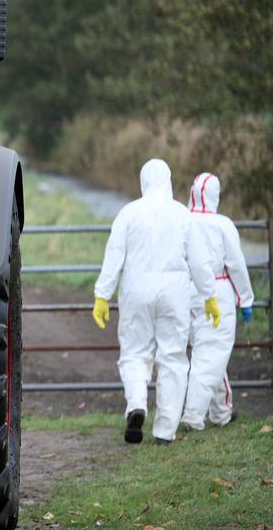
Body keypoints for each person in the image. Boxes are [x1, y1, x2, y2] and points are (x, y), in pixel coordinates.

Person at [92, 159, 219, 445]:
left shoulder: (128, 213)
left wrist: (102, 295)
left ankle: (137, 403)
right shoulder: (182, 214)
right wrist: (209, 296)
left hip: (136, 288)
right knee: (173, 358)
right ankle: (164, 431)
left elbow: (114, 256)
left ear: (143, 180)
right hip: (175, 290)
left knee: (135, 352)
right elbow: (200, 262)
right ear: (169, 180)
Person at [183, 172, 253, 430]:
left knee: (207, 353)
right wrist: (245, 298)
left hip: (184, 292)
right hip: (216, 289)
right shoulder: (222, 224)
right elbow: (236, 264)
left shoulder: (182, 220)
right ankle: (193, 415)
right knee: (211, 353)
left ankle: (221, 412)